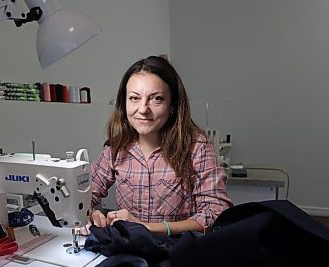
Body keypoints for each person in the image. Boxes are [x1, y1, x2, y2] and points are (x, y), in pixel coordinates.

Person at [88, 55, 232, 236]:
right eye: (134, 98)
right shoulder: (115, 148)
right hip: (130, 252)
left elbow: (215, 213)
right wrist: (90, 214)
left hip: (178, 254)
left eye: (156, 98)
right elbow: (85, 195)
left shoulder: (196, 147)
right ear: (124, 103)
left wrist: (147, 228)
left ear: (172, 105)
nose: (142, 109)